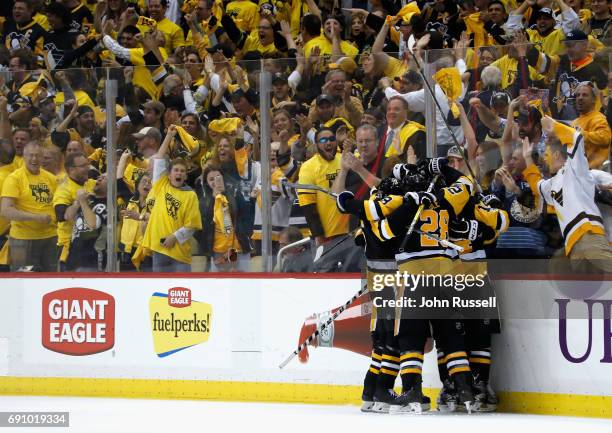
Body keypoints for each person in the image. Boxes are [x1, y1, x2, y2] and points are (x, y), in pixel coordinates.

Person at [522, 118, 612, 273]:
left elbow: (576, 138)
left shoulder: (575, 169)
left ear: (557, 154)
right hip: (572, 244)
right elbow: (537, 186)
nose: (544, 156)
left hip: (588, 232)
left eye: (547, 152)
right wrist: (527, 158)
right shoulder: (551, 184)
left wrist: (554, 126)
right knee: (588, 290)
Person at [136, 126, 202, 272]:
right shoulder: (162, 184)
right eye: (176, 170)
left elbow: (192, 225)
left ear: (185, 176)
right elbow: (159, 158)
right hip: (159, 250)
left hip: (180, 252)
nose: (179, 173)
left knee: (181, 289)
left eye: (182, 171)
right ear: (169, 174)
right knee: (159, 291)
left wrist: (175, 237)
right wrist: (169, 136)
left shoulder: (190, 195)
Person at [0, 141, 58, 271]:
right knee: (24, 280)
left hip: (50, 237)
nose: (34, 159)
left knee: (51, 280)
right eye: (30, 155)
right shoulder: (14, 178)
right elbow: (6, 210)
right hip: (23, 239)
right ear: (24, 157)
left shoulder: (50, 178)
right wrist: (36, 217)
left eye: (38, 155)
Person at [65, 173, 108, 272]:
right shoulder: (88, 200)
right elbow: (67, 216)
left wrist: (83, 202)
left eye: (104, 178)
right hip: (73, 254)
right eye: (99, 177)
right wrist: (78, 201)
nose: (99, 179)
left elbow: (93, 224)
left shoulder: (108, 205)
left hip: (91, 257)